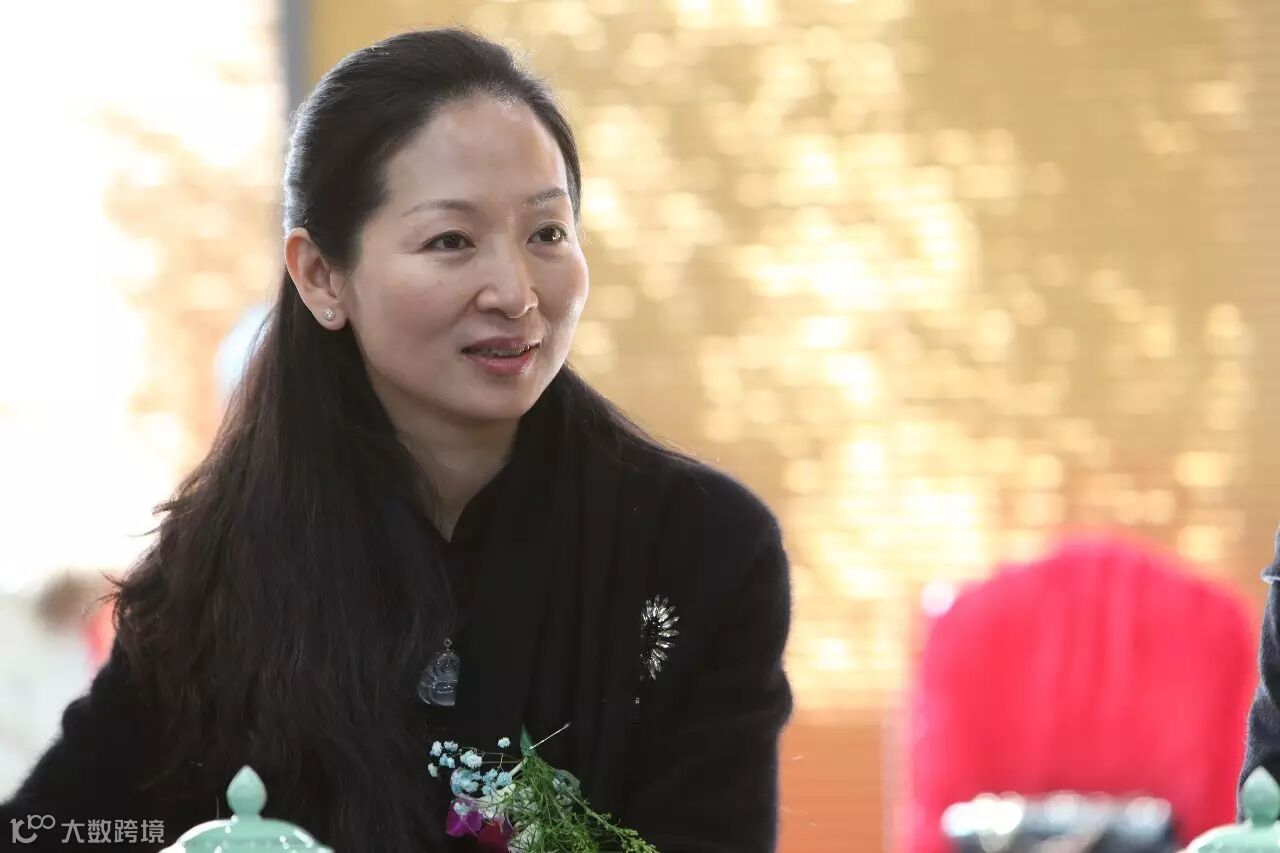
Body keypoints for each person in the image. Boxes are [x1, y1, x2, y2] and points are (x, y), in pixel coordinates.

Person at [0, 27, 792, 852]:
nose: (515, 291)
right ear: (321, 275)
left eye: (547, 233)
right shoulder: (219, 565)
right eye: (452, 240)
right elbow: (55, 829)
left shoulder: (699, 551)